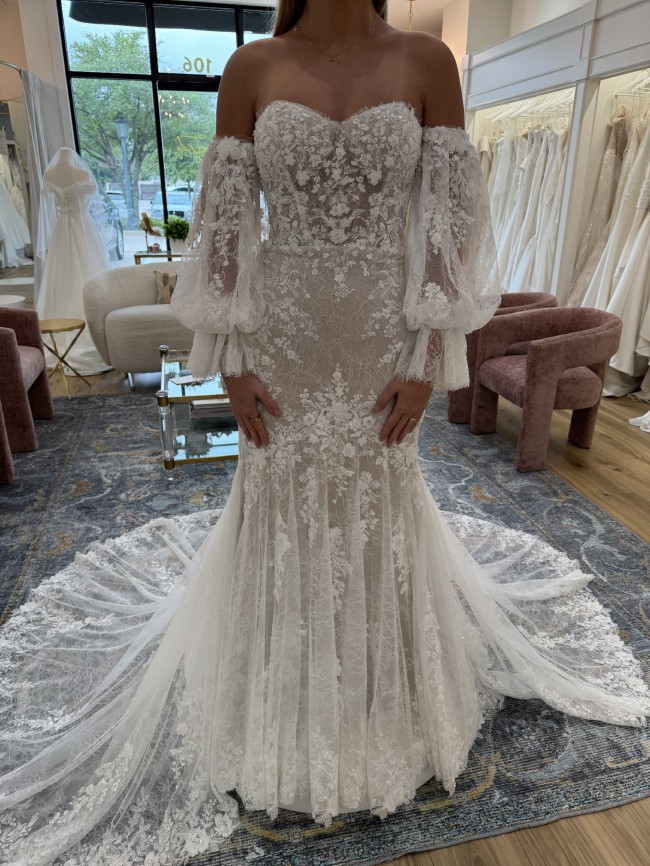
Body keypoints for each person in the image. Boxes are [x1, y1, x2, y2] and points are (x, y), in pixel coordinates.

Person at [1, 2, 649, 864]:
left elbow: (449, 228)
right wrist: (231, 358)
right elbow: (226, 229)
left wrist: (429, 354)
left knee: (380, 491)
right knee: (280, 492)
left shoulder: (428, 60)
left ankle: (387, 695)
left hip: (385, 332)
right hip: (286, 332)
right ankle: (277, 693)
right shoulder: (252, 67)